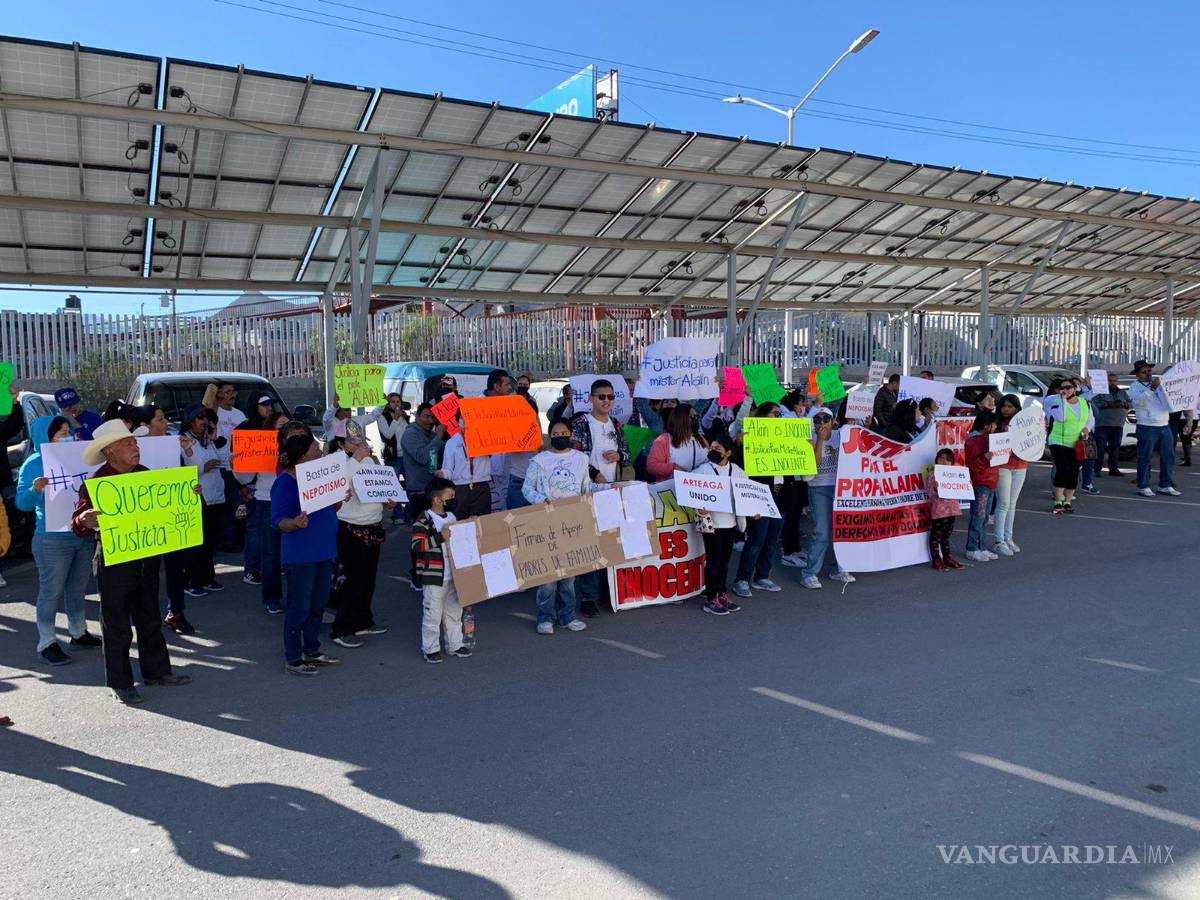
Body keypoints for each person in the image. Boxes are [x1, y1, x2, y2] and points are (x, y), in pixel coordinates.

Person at [71, 420, 191, 704]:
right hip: (114, 561)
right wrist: (84, 520)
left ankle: (157, 671)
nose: (135, 447)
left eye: (134, 443)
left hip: (145, 558)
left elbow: (163, 511)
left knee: (150, 616)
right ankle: (121, 682)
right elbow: (79, 524)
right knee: (116, 625)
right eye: (128, 444)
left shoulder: (143, 474)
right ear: (110, 452)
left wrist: (187, 496)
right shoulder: (97, 483)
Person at [17, 415, 101, 665]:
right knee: (51, 591)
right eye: (61, 433)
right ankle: (47, 643)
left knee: (77, 588)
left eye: (68, 432)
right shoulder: (34, 463)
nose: (68, 437)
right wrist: (35, 490)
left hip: (80, 535)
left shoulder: (78, 457)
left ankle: (78, 632)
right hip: (52, 539)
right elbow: (22, 503)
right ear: (46, 437)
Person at [522, 418, 604, 634]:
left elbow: (586, 487)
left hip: (573, 521)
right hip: (546, 522)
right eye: (555, 434)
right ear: (550, 436)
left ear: (571, 434)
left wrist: (608, 488)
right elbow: (526, 489)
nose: (560, 436)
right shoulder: (538, 461)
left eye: (564, 432)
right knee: (548, 577)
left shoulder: (581, 459)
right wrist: (542, 501)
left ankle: (567, 616)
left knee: (569, 574)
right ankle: (545, 618)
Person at [271, 432, 342, 676]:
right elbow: (278, 520)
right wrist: (294, 523)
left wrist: (340, 500)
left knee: (318, 603)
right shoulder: (286, 482)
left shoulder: (320, 476)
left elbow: (332, 507)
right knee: (299, 606)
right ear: (302, 454)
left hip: (324, 549)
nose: (319, 448)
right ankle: (293, 657)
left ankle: (312, 649)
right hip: (301, 554)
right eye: (314, 446)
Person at [328, 420, 393, 649]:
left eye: (360, 439)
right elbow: (337, 486)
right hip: (351, 527)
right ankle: (341, 628)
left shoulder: (367, 460)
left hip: (372, 525)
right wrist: (356, 460)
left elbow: (375, 485)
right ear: (342, 444)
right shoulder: (339, 463)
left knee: (368, 579)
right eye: (352, 441)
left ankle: (363, 619)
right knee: (353, 581)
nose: (359, 444)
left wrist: (388, 497)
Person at [570, 379, 630, 617]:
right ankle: (588, 597)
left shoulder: (616, 424)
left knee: (609, 542)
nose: (607, 401)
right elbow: (574, 454)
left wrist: (619, 454)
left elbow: (627, 453)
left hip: (612, 491)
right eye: (601, 397)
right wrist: (595, 474)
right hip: (588, 490)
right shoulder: (581, 422)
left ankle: (609, 592)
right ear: (591, 398)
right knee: (589, 545)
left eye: (610, 397)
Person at [412, 477, 471, 664]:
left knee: (454, 612)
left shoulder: (453, 517)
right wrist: (440, 537)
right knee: (433, 614)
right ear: (437, 499)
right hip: (434, 576)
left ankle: (455, 644)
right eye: (450, 495)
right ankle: (430, 648)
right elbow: (417, 546)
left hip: (454, 574)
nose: (453, 498)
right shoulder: (423, 520)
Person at [731, 402, 784, 598]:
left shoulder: (782, 437)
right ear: (763, 414)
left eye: (780, 414)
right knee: (757, 538)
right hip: (757, 493)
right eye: (775, 413)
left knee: (772, 538)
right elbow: (743, 466)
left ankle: (762, 576)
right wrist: (741, 444)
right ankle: (742, 579)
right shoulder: (748, 437)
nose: (778, 417)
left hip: (777, 493)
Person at [693, 430, 748, 616]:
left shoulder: (739, 472)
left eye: (718, 448)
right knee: (714, 562)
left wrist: (752, 511)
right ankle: (711, 598)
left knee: (725, 561)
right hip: (712, 525)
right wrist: (698, 507)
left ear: (728, 453)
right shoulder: (702, 470)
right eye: (712, 447)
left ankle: (722, 593)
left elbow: (746, 496)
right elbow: (691, 492)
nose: (713, 451)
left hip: (730, 524)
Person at [801, 407, 856, 590]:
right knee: (822, 531)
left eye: (826, 419)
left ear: (833, 421)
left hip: (842, 488)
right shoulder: (808, 439)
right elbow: (813, 466)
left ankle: (839, 568)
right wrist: (820, 442)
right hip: (819, 488)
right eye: (817, 420)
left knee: (843, 530)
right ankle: (809, 573)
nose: (822, 423)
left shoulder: (842, 435)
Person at [179, 404, 225, 596]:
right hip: (198, 495)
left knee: (209, 541)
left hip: (215, 494)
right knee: (197, 542)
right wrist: (203, 467)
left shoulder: (208, 440)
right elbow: (189, 466)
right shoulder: (184, 441)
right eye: (200, 419)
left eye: (206, 418)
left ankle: (207, 577)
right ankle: (191, 580)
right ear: (191, 421)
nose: (205, 422)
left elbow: (219, 458)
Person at [1129, 361, 1180, 496]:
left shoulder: (1160, 384)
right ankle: (1143, 485)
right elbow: (1138, 402)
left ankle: (1165, 484)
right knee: (1145, 457)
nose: (1148, 374)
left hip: (1164, 424)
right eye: (1144, 372)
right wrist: (1151, 389)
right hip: (1147, 426)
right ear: (1137, 375)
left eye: (1149, 371)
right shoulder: (1135, 386)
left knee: (1168, 456)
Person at [1045, 378, 1094, 513]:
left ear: (1075, 388)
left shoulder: (1084, 403)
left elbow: (1090, 420)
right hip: (1058, 441)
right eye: (1062, 388)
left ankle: (1068, 500)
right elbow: (1062, 417)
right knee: (1063, 468)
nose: (1065, 390)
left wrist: (1087, 429)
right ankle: (1058, 500)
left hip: (1076, 442)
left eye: (1068, 387)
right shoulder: (1056, 402)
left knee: (1074, 471)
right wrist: (1063, 400)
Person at [992, 394, 1027, 556]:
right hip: (1003, 465)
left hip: (1020, 464)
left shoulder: (1024, 423)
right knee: (1004, 503)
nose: (1006, 409)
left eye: (1010, 406)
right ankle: (999, 541)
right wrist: (1003, 433)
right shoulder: (996, 423)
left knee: (1012, 503)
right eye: (1004, 406)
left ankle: (1008, 537)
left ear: (1017, 408)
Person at [963, 411, 1000, 561]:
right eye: (994, 424)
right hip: (981, 483)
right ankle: (972, 548)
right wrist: (984, 459)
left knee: (984, 518)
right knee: (978, 516)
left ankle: (982, 546)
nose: (996, 426)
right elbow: (971, 466)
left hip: (990, 481)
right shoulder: (974, 441)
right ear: (986, 425)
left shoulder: (988, 439)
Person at [926, 448, 964, 571]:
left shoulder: (955, 473)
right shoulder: (933, 475)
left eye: (947, 459)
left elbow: (962, 489)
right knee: (936, 536)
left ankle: (948, 558)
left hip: (952, 510)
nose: (944, 461)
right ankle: (936, 559)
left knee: (946, 536)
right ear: (936, 460)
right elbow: (930, 494)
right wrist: (936, 488)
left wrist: (967, 484)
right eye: (941, 458)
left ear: (951, 462)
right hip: (939, 511)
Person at [646, 404, 707, 480]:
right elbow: (651, 466)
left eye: (696, 416)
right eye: (692, 417)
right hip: (672, 487)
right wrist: (673, 468)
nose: (696, 420)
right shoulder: (664, 440)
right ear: (681, 419)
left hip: (697, 488)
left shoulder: (701, 439)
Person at [1091, 371, 1131, 478]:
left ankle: (1113, 469)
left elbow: (1131, 404)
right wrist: (1109, 404)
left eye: (1114, 380)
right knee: (1100, 448)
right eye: (1110, 380)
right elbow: (1094, 404)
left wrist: (1123, 404)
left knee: (1115, 448)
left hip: (1118, 425)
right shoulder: (1099, 392)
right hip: (1102, 424)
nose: (1112, 382)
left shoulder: (1122, 393)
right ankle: (1097, 469)